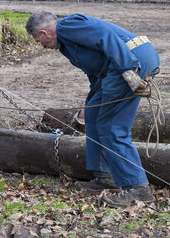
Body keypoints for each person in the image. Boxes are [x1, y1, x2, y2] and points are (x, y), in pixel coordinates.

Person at [26, 11, 159, 208]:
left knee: (112, 126)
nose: (42, 46)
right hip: (117, 67)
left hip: (131, 60)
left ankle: (138, 189)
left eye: (39, 41)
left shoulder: (67, 26)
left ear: (44, 33)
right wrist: (90, 102)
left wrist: (128, 69)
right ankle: (106, 176)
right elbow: (96, 71)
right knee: (95, 115)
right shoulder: (65, 43)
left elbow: (106, 37)